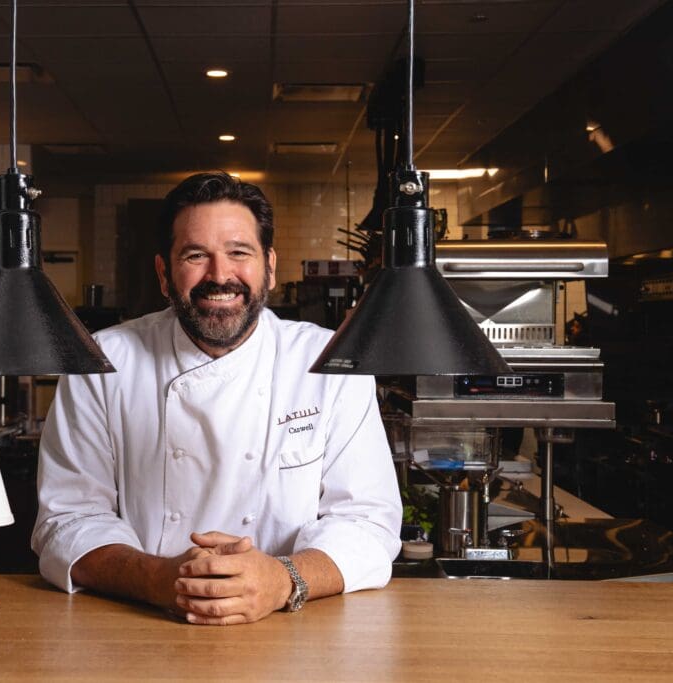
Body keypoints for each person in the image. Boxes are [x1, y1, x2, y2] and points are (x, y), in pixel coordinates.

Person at [32, 171, 402, 625]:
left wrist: (282, 579)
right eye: (195, 255)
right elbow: (67, 521)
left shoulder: (329, 363)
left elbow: (368, 522)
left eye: (238, 253)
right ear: (164, 274)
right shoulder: (102, 362)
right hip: (141, 624)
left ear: (269, 266)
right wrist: (156, 580)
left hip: (292, 628)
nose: (220, 275)